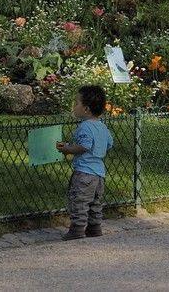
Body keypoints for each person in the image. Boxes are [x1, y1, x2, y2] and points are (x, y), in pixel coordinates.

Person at [55, 84, 113, 240]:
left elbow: (85, 147)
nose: (74, 106)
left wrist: (68, 149)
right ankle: (94, 228)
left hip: (84, 173)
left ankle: (77, 230)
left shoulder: (85, 127)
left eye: (76, 103)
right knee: (94, 202)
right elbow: (109, 144)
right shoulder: (102, 127)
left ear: (86, 109)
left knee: (79, 201)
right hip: (99, 174)